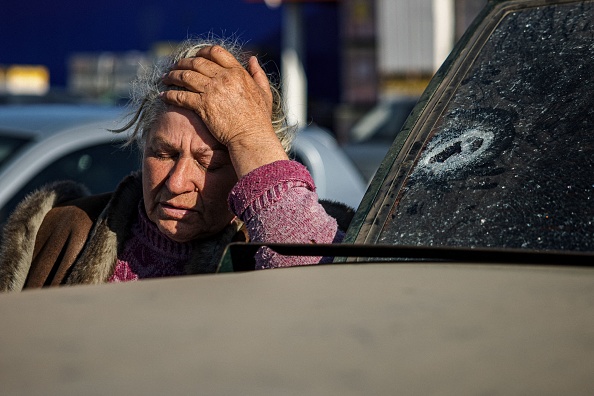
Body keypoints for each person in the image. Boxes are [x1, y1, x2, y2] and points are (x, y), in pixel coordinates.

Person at [0, 38, 353, 292]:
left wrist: (251, 135)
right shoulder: (62, 231)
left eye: (208, 163)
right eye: (164, 154)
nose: (177, 182)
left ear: (250, 171)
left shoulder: (284, 242)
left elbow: (322, 292)